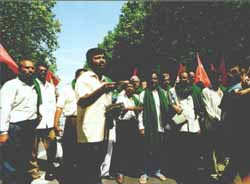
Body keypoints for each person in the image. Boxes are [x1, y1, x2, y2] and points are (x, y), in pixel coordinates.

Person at [75, 48, 116, 184]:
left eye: (103, 57)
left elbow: (105, 107)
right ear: (89, 61)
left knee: (96, 166)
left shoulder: (104, 80)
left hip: (103, 132)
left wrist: (115, 110)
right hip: (89, 133)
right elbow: (83, 102)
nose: (101, 60)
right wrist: (102, 89)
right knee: (87, 168)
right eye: (97, 57)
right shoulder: (84, 79)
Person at [0, 60, 39, 184]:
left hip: (29, 126)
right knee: (11, 159)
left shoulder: (33, 86)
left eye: (32, 68)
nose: (30, 70)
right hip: (15, 126)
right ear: (19, 69)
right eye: (27, 68)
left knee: (25, 158)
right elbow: (4, 108)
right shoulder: (11, 85)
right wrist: (3, 131)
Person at [54, 68, 85, 183]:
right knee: (68, 152)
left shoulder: (89, 89)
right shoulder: (67, 89)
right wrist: (56, 124)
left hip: (86, 124)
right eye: (81, 77)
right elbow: (59, 107)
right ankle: (67, 178)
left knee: (82, 153)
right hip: (71, 122)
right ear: (76, 77)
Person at [138, 71, 169, 184]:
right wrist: (141, 126)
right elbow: (140, 112)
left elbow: (166, 110)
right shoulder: (143, 94)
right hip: (149, 127)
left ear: (158, 80)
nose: (153, 81)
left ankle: (157, 171)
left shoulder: (163, 93)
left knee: (159, 150)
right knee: (147, 150)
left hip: (162, 126)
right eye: (151, 78)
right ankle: (144, 173)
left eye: (155, 78)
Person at [30, 62, 57, 181]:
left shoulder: (51, 87)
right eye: (40, 70)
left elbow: (54, 105)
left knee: (52, 147)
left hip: (49, 122)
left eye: (45, 70)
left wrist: (56, 123)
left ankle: (50, 168)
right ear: (36, 71)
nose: (43, 72)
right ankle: (33, 171)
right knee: (33, 149)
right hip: (35, 122)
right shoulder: (32, 84)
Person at [112, 82, 142, 184]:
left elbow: (140, 108)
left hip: (133, 124)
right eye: (128, 86)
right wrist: (131, 108)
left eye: (132, 86)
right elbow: (120, 109)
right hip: (122, 124)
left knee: (132, 147)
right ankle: (119, 172)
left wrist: (132, 108)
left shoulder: (135, 98)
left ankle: (130, 170)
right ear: (125, 89)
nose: (130, 88)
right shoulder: (121, 97)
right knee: (121, 148)